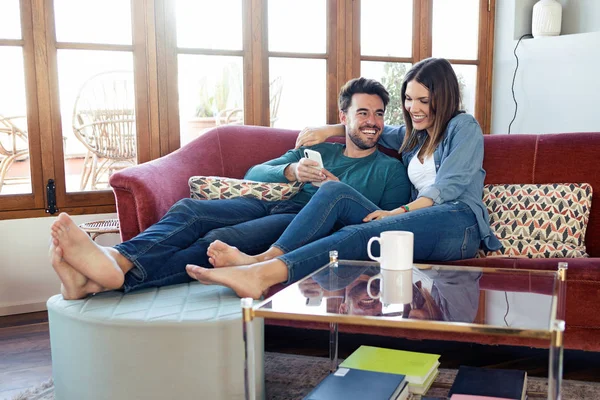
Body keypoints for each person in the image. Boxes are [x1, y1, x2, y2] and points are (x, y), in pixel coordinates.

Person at [49, 77, 411, 300]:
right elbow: (255, 173)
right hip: (266, 204)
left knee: (220, 239)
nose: (372, 122)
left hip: (301, 224)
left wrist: (337, 192)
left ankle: (97, 282)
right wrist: (291, 170)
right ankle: (114, 261)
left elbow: (379, 224)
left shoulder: (389, 170)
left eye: (379, 114)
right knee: (190, 210)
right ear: (343, 116)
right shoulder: (319, 150)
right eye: (363, 113)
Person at [185, 57, 502, 299]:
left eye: (422, 100)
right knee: (334, 190)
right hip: (421, 223)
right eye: (408, 99)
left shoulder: (463, 127)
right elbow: (373, 127)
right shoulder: (414, 135)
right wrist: (330, 129)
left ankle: (262, 276)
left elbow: (447, 188)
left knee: (363, 235)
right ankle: (262, 260)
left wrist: (397, 213)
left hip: (459, 224)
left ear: (442, 98)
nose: (413, 108)